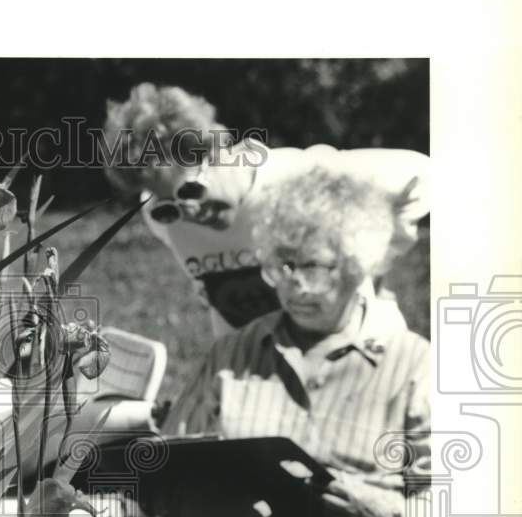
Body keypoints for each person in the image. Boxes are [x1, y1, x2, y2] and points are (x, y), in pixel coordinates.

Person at [149, 166, 431, 517]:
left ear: (356, 265)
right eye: (280, 265)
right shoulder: (234, 352)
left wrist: (380, 510)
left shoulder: (413, 366)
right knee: (200, 485)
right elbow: (170, 468)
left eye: (312, 267)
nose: (293, 285)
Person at [102, 83, 430, 337]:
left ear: (217, 155)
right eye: (167, 209)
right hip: (257, 380)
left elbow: (422, 173)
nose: (188, 212)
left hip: (357, 361)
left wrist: (373, 258)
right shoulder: (163, 219)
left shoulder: (294, 177)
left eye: (190, 190)